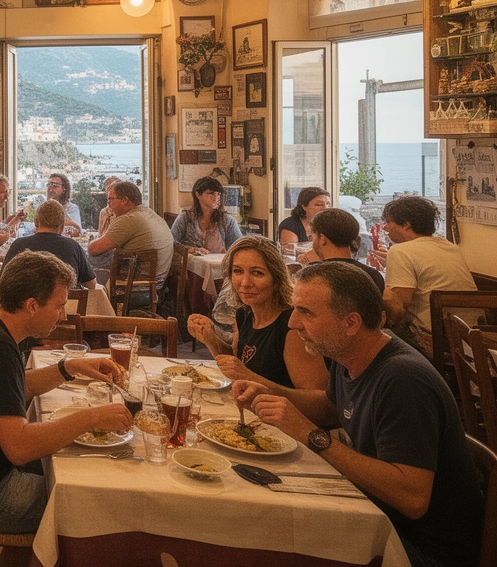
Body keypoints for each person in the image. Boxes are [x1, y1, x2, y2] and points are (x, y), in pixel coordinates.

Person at [235, 261, 483, 567]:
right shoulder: (350, 353)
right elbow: (330, 408)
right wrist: (269, 391)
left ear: (351, 323)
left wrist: (311, 435)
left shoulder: (402, 380)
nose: (293, 323)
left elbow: (413, 498)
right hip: (379, 515)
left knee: (266, 540)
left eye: (306, 313)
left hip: (423, 549)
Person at [0, 251, 131, 546]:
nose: (63, 316)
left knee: (80, 469)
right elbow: (19, 448)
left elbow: (13, 388)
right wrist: (93, 418)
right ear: (32, 306)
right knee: (98, 502)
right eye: (59, 306)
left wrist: (70, 367)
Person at [187, 236, 327, 390]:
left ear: (277, 279)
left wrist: (248, 377)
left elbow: (318, 398)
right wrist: (210, 339)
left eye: (257, 273)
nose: (245, 283)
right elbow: (240, 365)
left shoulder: (292, 326)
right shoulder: (244, 314)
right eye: (238, 271)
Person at [368, 196, 475, 356]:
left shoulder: (401, 251)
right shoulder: (448, 246)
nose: (385, 228)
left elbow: (399, 304)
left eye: (389, 222)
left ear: (406, 224)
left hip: (437, 339)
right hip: (470, 335)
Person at [86, 181, 173, 288]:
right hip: (157, 284)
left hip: (134, 286)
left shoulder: (128, 220)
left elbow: (93, 249)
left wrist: (93, 240)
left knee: (87, 261)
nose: (108, 203)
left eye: (111, 199)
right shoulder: (150, 213)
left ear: (125, 200)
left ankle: (87, 297)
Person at [3, 200, 96, 289]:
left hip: (28, 300)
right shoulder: (73, 247)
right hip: (63, 300)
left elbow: (3, 281)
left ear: (36, 222)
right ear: (62, 226)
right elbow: (91, 284)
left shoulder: (19, 245)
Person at [306, 208, 385, 291]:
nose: (312, 243)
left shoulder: (312, 277)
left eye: (312, 237)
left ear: (322, 239)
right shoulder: (373, 275)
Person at [170, 176, 241, 254]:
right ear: (198, 194)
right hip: (191, 262)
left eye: (218, 194)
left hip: (219, 262)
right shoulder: (185, 218)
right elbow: (170, 244)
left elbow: (240, 248)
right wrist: (190, 249)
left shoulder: (228, 221)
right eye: (211, 193)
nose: (216, 198)